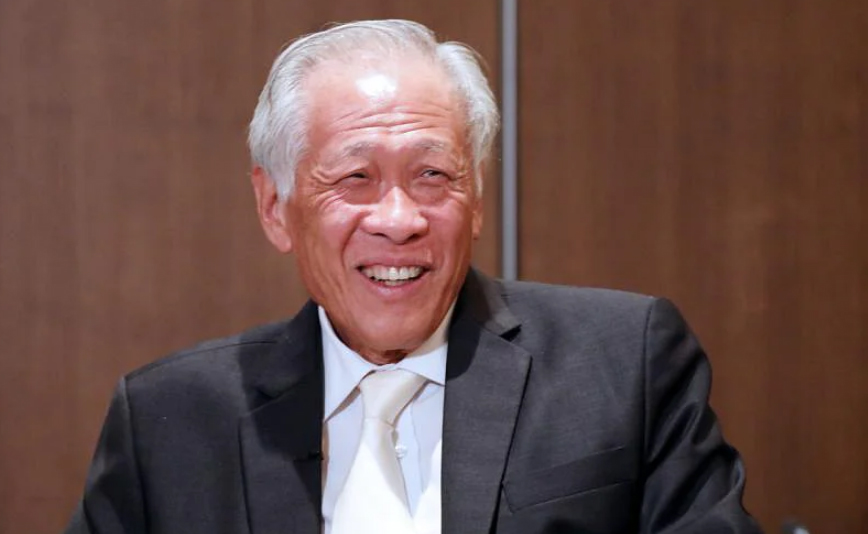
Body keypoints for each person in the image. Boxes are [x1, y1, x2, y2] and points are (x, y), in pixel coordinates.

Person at [64, 19, 762, 534]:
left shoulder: (624, 363)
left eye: (432, 175)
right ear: (275, 207)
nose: (399, 220)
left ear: (476, 197)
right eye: (355, 178)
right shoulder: (169, 421)